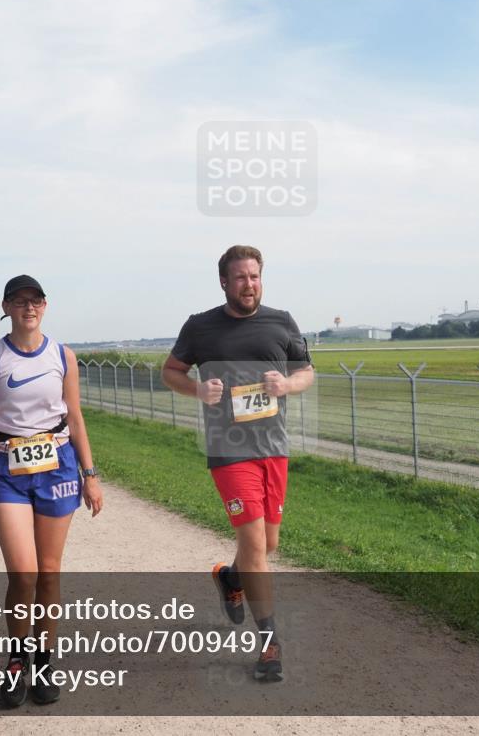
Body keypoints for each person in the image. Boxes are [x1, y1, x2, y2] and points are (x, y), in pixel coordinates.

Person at [161, 245, 314, 683]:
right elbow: (170, 371)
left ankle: (231, 578)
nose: (249, 284)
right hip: (229, 450)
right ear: (224, 282)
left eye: (255, 276)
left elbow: (307, 372)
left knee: (265, 546)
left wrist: (287, 383)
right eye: (241, 277)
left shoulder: (282, 322)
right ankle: (269, 643)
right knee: (252, 541)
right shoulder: (200, 327)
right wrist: (197, 390)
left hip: (273, 448)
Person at [0, 274, 103, 708]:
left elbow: (77, 417)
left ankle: (43, 661)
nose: (29, 307)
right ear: (6, 307)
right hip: (6, 470)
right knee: (23, 574)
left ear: (45, 306)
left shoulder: (63, 356)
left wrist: (90, 473)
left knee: (49, 572)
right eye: (20, 300)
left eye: (37, 300)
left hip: (58, 465)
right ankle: (16, 660)